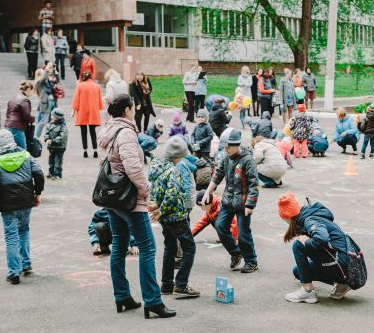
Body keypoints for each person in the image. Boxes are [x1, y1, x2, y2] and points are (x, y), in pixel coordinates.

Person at [97, 94, 176, 319]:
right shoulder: (126, 133)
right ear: (128, 110)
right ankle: (152, 300)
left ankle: (122, 296)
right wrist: (146, 188)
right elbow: (133, 167)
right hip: (129, 199)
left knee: (119, 246)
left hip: (111, 198)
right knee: (148, 247)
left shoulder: (106, 130)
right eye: (133, 106)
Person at [0, 129, 45, 284]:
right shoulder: (25, 155)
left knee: (11, 236)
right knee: (24, 231)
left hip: (8, 204)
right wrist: (37, 193)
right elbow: (39, 173)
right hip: (26, 200)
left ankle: (14, 273)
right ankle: (26, 264)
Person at [148, 135, 200, 299]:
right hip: (176, 216)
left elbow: (157, 191)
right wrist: (161, 210)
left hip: (165, 218)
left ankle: (166, 284)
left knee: (170, 248)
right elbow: (172, 195)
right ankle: (181, 284)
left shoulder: (157, 165)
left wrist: (158, 207)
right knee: (189, 247)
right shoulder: (175, 170)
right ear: (178, 156)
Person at [201, 129, 260, 273]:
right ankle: (236, 253)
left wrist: (250, 204)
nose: (225, 150)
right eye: (224, 147)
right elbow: (217, 176)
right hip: (228, 201)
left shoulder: (248, 160)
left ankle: (251, 261)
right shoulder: (226, 158)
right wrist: (207, 192)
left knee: (243, 233)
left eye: (228, 147)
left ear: (236, 145)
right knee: (220, 226)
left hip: (243, 204)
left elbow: (254, 184)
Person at [278, 193, 352, 303]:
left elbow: (322, 239)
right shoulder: (307, 217)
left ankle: (307, 291)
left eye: (283, 218)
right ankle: (342, 284)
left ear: (287, 216)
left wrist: (306, 242)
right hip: (344, 265)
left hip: (342, 265)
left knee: (298, 245)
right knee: (298, 272)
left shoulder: (310, 220)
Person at [71, 72, 103, 158]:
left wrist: (74, 110)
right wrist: (98, 108)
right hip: (93, 111)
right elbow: (99, 101)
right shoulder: (97, 86)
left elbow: (76, 100)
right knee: (93, 131)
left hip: (82, 111)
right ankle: (95, 150)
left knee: (83, 131)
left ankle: (85, 151)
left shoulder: (80, 86)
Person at [5, 81, 35, 150]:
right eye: (32, 91)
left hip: (8, 126)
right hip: (17, 128)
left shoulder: (13, 97)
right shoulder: (24, 100)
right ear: (28, 89)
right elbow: (27, 116)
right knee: (22, 151)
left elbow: (8, 112)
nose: (32, 93)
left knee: (12, 150)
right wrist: (33, 118)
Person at [34, 63, 59, 139]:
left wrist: (55, 72)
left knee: (52, 120)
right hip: (46, 103)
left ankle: (51, 136)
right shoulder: (39, 82)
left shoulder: (47, 82)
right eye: (43, 73)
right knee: (43, 121)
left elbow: (55, 81)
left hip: (52, 102)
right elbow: (44, 78)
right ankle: (36, 137)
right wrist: (47, 69)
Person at [43, 108, 68, 180]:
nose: (51, 117)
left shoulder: (63, 126)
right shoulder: (50, 124)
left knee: (58, 161)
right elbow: (46, 133)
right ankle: (51, 172)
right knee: (51, 160)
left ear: (57, 117)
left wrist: (53, 141)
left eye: (53, 116)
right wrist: (47, 139)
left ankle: (57, 174)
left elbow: (62, 137)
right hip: (51, 147)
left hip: (59, 147)